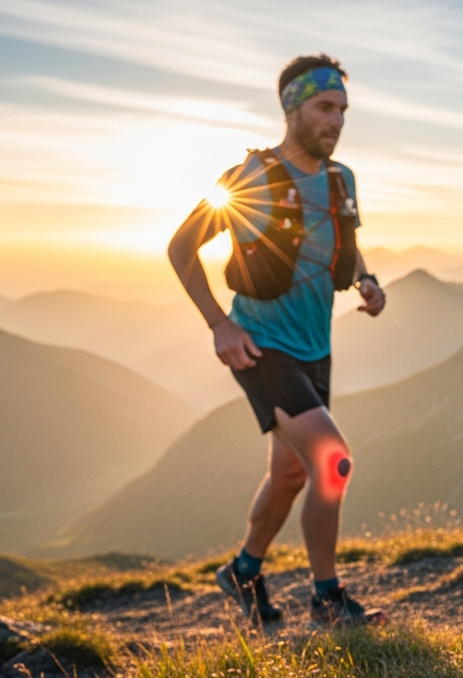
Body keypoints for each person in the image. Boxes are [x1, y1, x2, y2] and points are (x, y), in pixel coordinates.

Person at [167, 54, 386, 627]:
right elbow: (181, 248)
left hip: (317, 347)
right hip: (261, 346)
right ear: (292, 108)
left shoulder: (342, 180)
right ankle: (327, 598)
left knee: (291, 473)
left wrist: (366, 279)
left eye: (342, 109)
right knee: (332, 461)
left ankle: (242, 571)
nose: (336, 120)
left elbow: (347, 243)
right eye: (324, 108)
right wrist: (219, 323)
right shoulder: (251, 179)